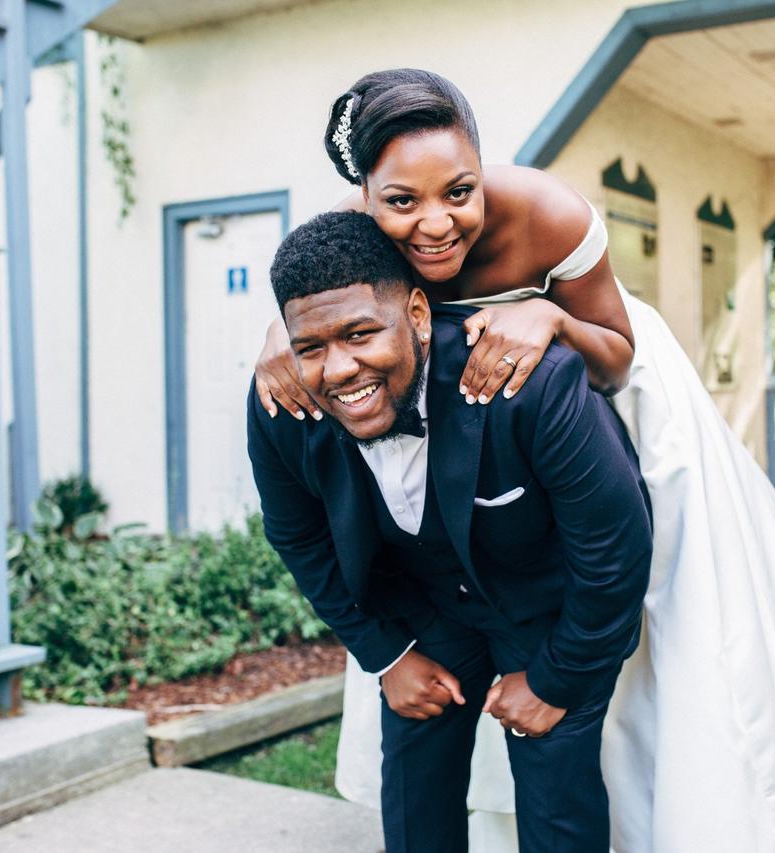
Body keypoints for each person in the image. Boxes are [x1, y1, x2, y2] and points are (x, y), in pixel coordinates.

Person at [255, 70, 775, 852]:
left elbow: (616, 355)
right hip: (454, 432)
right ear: (367, 197)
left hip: (589, 387)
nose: (433, 223)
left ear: (482, 169)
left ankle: (687, 805)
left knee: (668, 615)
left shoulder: (549, 213)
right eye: (401, 202)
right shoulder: (355, 237)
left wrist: (548, 318)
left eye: (459, 192)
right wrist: (277, 340)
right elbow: (323, 314)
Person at [247, 210, 653, 853]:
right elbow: (298, 537)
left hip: (543, 608)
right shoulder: (284, 402)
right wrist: (387, 655)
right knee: (412, 792)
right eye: (312, 347)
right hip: (424, 610)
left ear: (415, 314)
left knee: (558, 806)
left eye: (359, 334)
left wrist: (557, 678)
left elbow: (616, 549)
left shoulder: (534, 384)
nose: (339, 369)